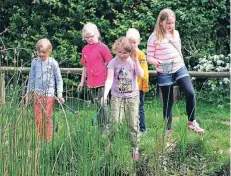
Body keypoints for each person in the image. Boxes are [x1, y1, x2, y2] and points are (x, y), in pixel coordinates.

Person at [146, 8, 205, 137]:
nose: (171, 26)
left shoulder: (175, 34)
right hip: (164, 70)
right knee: (168, 101)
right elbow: (149, 56)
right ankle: (167, 129)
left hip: (179, 67)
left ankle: (192, 122)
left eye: (172, 23)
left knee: (190, 93)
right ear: (161, 22)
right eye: (168, 23)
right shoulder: (153, 37)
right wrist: (157, 62)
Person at [101, 36, 144, 160]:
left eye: (125, 53)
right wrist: (105, 94)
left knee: (133, 123)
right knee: (115, 122)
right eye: (119, 52)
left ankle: (135, 147)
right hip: (117, 96)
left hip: (132, 97)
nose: (122, 55)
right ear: (115, 50)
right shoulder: (113, 62)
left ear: (130, 52)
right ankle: (110, 142)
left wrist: (136, 61)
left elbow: (141, 75)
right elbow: (109, 79)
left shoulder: (132, 61)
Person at [26, 38, 65, 142]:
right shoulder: (34, 62)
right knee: (38, 118)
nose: (41, 54)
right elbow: (31, 78)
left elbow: (59, 79)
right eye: (39, 52)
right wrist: (28, 93)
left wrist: (60, 94)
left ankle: (48, 139)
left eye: (43, 52)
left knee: (47, 117)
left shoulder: (53, 63)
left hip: (49, 94)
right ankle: (41, 137)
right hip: (37, 93)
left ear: (49, 50)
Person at [77, 22, 113, 130]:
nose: (89, 39)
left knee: (103, 104)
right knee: (97, 105)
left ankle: (107, 127)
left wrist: (108, 78)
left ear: (96, 34)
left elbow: (110, 63)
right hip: (91, 83)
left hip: (102, 81)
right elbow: (84, 66)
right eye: (86, 37)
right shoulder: (85, 49)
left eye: (91, 36)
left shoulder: (103, 47)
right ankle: (100, 128)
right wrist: (82, 81)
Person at [126, 28, 149, 134]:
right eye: (130, 42)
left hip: (139, 87)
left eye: (134, 42)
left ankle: (143, 129)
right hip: (127, 87)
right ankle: (131, 129)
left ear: (138, 42)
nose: (132, 45)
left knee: (139, 108)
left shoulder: (141, 54)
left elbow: (144, 73)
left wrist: (144, 87)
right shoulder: (124, 54)